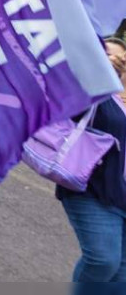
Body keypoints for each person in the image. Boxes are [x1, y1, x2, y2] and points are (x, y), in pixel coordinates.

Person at [56, 40, 126, 283]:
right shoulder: (92, 94)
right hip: (92, 188)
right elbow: (66, 107)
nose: (115, 61)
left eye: (121, 60)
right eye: (107, 56)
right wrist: (98, 76)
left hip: (123, 194)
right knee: (102, 260)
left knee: (121, 274)